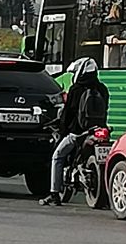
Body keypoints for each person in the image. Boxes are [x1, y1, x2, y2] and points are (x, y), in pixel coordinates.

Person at [40, 57, 110, 207]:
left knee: (57, 156)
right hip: (99, 130)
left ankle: (54, 194)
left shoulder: (76, 90)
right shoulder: (102, 89)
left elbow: (68, 114)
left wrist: (63, 130)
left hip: (79, 133)